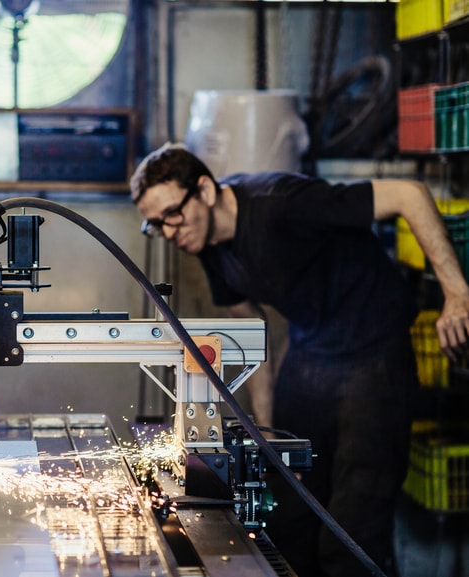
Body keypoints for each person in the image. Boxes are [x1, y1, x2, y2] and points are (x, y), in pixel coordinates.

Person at [129, 143, 469, 577]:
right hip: (310, 353)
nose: (170, 231)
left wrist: (457, 294)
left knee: (349, 537)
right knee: (287, 516)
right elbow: (254, 335)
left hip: (373, 354)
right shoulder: (209, 244)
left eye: (172, 214)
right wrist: (265, 433)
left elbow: (409, 194)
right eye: (156, 225)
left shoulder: (282, 204)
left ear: (206, 191)